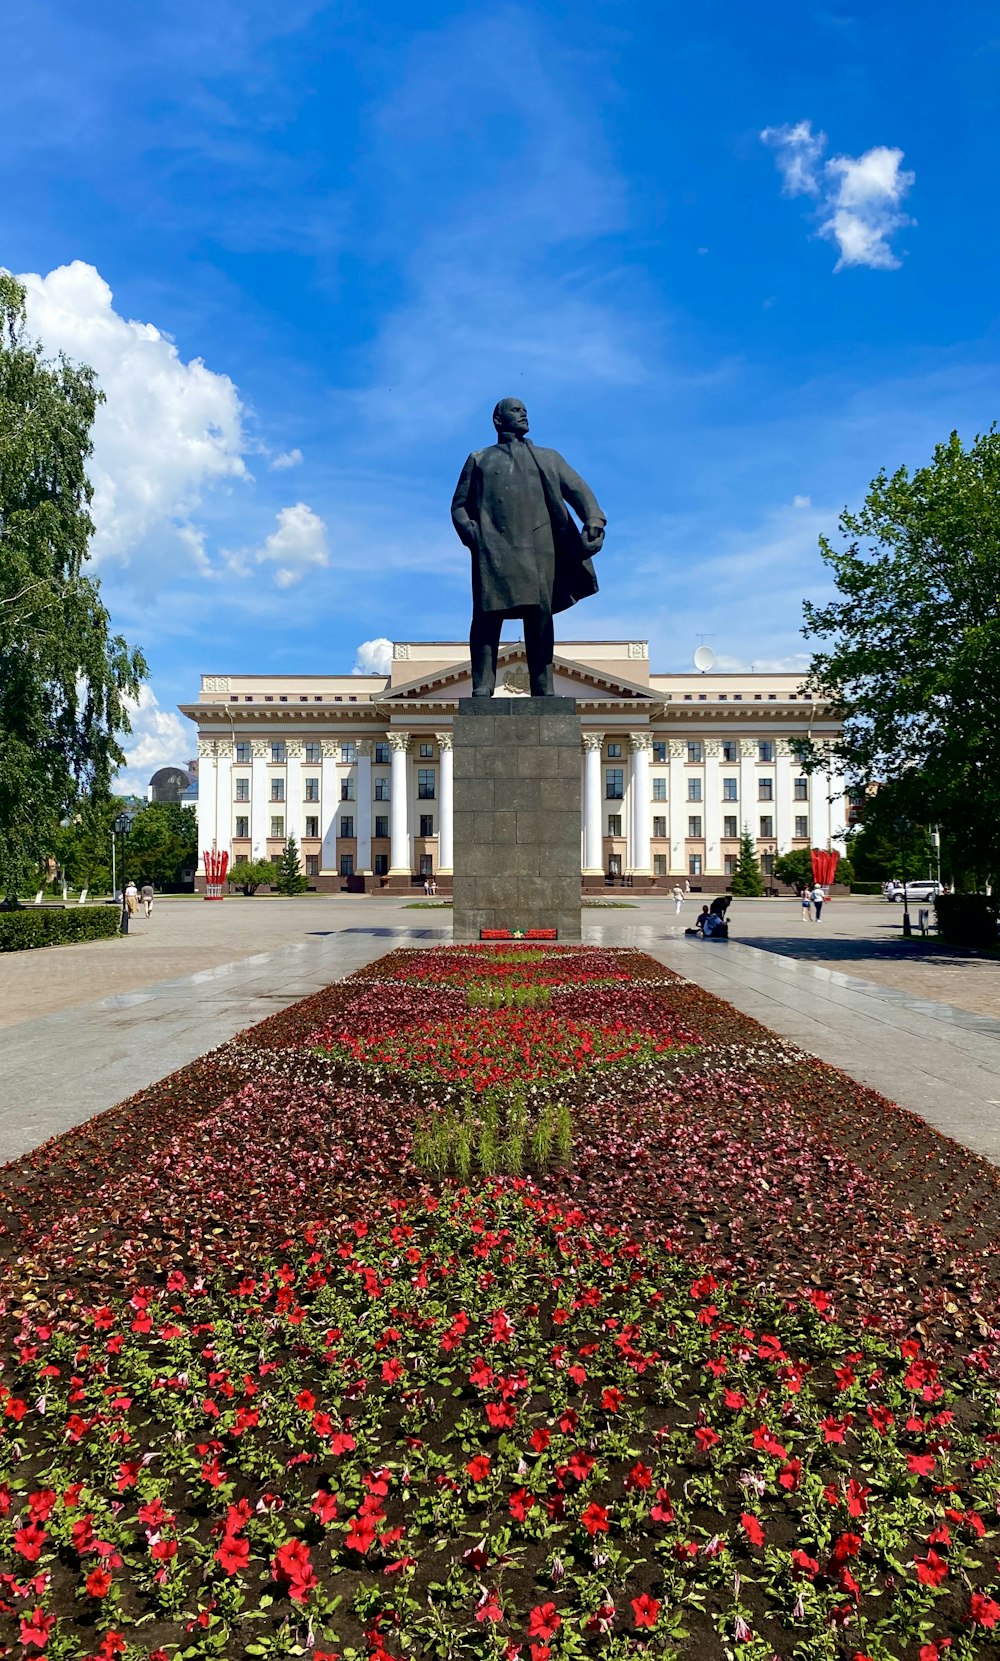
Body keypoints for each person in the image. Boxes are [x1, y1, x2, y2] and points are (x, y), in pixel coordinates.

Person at [451, 398, 606, 697]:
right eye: (516, 410)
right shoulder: (480, 459)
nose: (523, 414)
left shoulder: (547, 458)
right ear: (498, 420)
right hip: (493, 548)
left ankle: (542, 688)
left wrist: (594, 520)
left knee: (540, 619)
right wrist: (471, 532)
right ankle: (482, 685)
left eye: (525, 411)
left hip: (539, 549)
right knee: (486, 617)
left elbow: (579, 489)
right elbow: (459, 506)